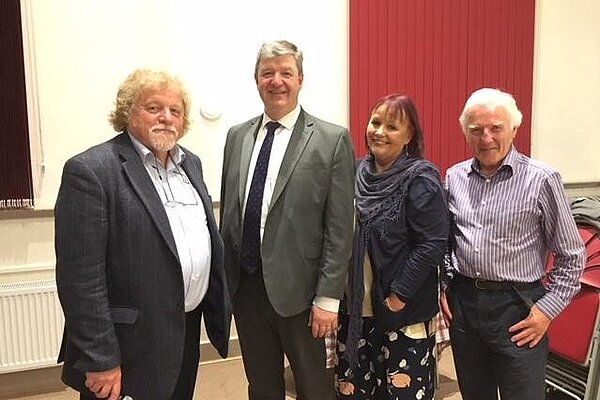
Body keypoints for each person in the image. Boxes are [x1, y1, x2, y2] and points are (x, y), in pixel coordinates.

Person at [55, 69, 231, 400]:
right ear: (128, 110)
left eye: (175, 111)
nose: (166, 118)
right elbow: (80, 280)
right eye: (153, 108)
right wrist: (100, 358)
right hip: (127, 344)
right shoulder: (92, 171)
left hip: (183, 332)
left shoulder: (190, 164)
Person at [219, 40, 355, 400]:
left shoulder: (331, 139)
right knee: (262, 387)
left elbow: (340, 228)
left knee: (314, 388)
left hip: (305, 296)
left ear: (300, 80)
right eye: (268, 73)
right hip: (247, 291)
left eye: (285, 73)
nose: (276, 81)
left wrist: (328, 297)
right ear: (256, 79)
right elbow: (230, 216)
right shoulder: (237, 137)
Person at [440, 88, 586, 400]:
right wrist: (444, 283)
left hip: (518, 307)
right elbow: (445, 243)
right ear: (466, 132)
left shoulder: (542, 179)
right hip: (464, 303)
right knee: (475, 394)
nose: (486, 138)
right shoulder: (454, 178)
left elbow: (573, 257)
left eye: (496, 128)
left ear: (514, 129)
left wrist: (546, 310)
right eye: (476, 130)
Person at [335, 94, 449, 399]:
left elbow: (432, 245)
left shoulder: (422, 179)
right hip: (356, 313)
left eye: (392, 126)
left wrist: (397, 298)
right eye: (375, 122)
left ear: (409, 134)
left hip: (402, 314)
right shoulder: (354, 172)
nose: (380, 132)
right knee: (354, 392)